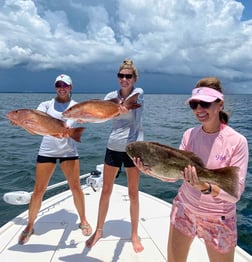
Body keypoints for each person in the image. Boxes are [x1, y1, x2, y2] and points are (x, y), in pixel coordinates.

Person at [134, 77, 249, 262]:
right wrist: (151, 171)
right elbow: (173, 177)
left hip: (218, 219)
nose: (199, 110)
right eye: (194, 105)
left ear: (220, 104)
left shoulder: (237, 142)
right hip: (184, 209)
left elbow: (235, 195)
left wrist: (204, 186)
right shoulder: (189, 135)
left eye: (205, 103)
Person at [18, 74, 92, 244]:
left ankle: (83, 220)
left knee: (76, 187)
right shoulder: (45, 105)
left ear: (71, 87)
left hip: (69, 151)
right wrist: (23, 123)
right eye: (58, 85)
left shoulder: (76, 107)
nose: (62, 87)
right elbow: (34, 130)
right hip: (47, 151)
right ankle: (30, 225)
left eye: (65, 85)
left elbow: (79, 123)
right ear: (55, 87)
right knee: (39, 189)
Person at [86, 59, 144, 252]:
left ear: (134, 78)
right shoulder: (110, 96)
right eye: (121, 76)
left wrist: (122, 108)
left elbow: (133, 112)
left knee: (133, 193)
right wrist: (83, 116)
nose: (124, 79)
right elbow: (102, 116)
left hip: (133, 149)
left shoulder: (138, 93)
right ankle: (99, 230)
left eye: (128, 76)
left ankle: (134, 234)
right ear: (117, 78)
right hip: (113, 146)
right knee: (106, 190)